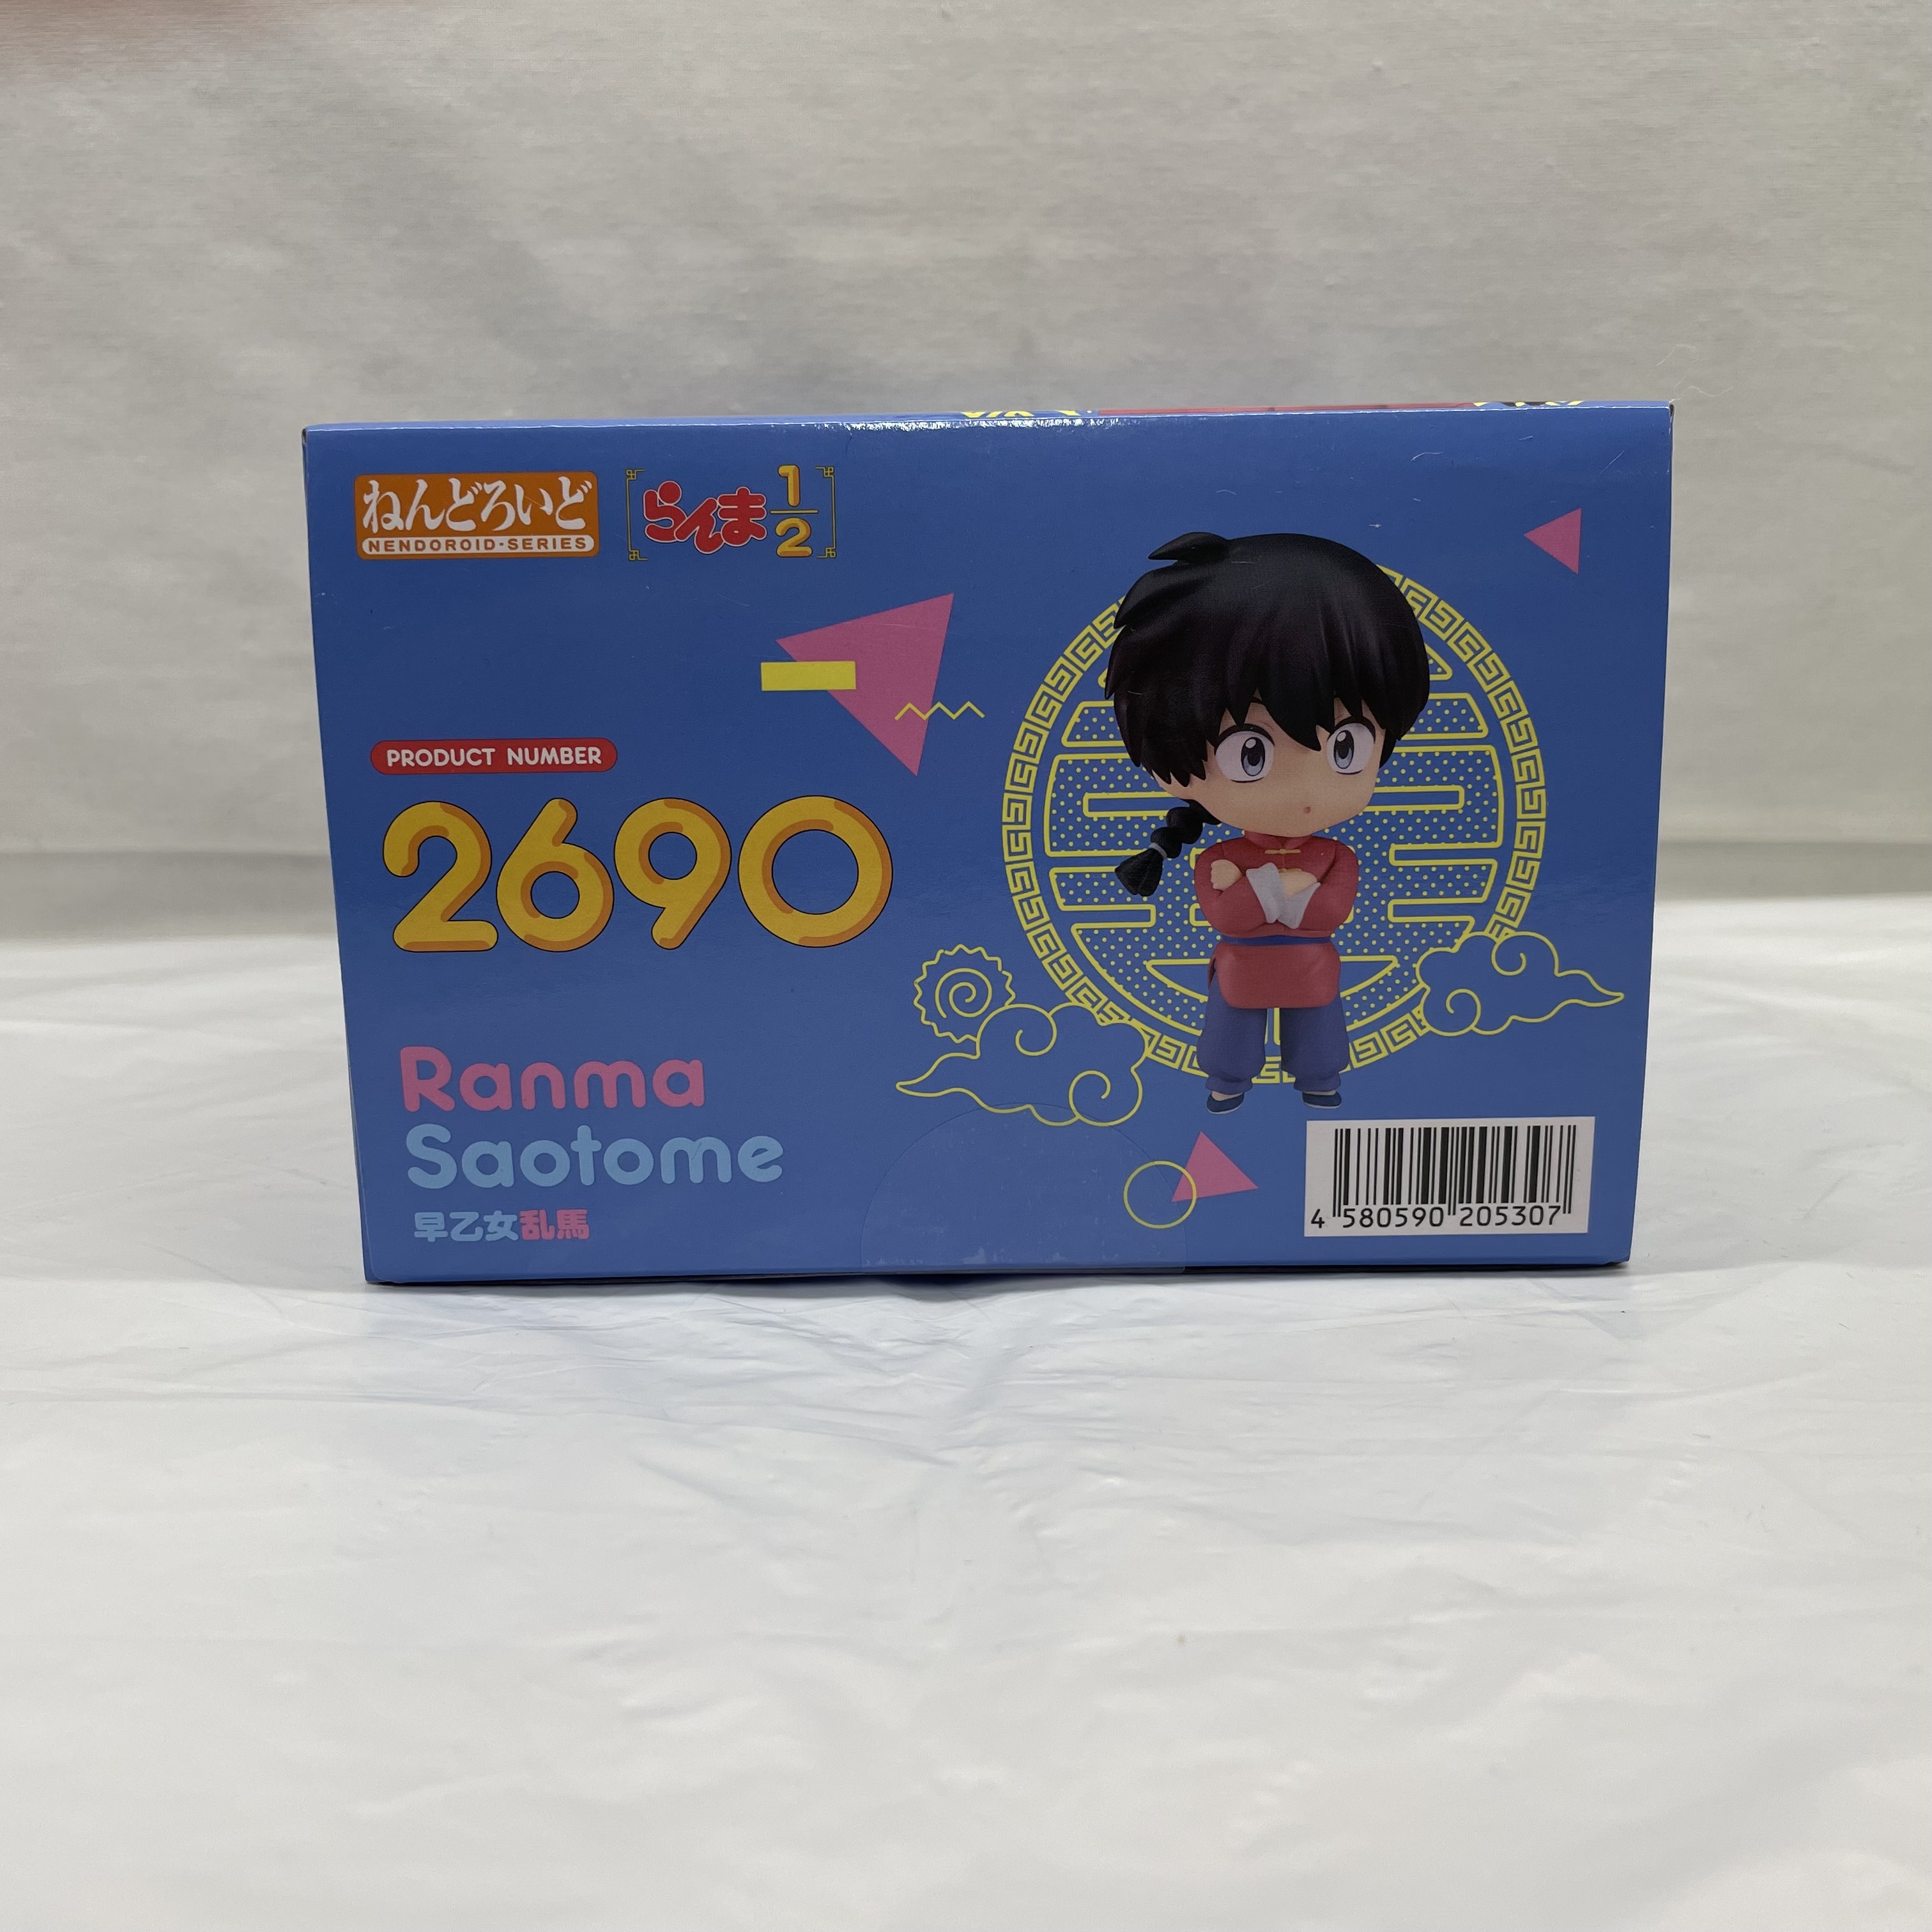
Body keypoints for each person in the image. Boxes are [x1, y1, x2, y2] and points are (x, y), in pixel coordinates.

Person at [1105, 531, 1430, 1110]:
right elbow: (1228, 916)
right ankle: (1228, 1082)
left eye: (1347, 747)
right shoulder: (1217, 857)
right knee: (1231, 1032)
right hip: (1242, 969)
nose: (1305, 792)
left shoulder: (1334, 857)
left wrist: (1259, 889)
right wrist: (1285, 888)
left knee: (1319, 1034)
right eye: (1250, 753)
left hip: (1311, 967)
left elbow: (1331, 912)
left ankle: (1320, 1079)